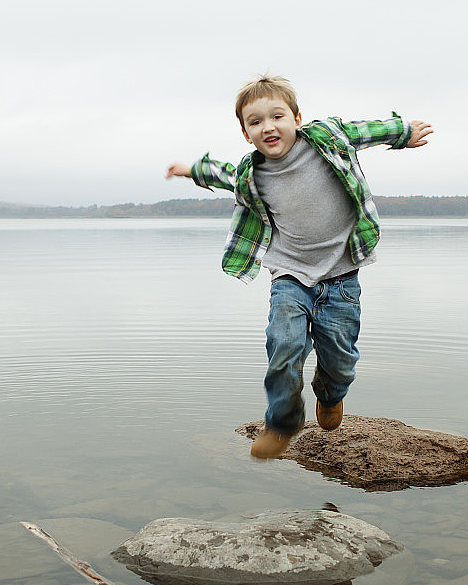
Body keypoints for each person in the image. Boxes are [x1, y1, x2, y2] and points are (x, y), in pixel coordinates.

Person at [166, 74, 433, 459]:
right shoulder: (251, 172)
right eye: (255, 122)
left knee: (340, 359)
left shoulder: (328, 139)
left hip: (341, 277)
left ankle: (331, 394)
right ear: (245, 133)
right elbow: (222, 174)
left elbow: (367, 130)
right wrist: (191, 170)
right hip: (289, 274)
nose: (268, 127)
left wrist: (403, 132)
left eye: (277, 116)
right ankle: (283, 420)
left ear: (297, 118)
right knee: (284, 343)